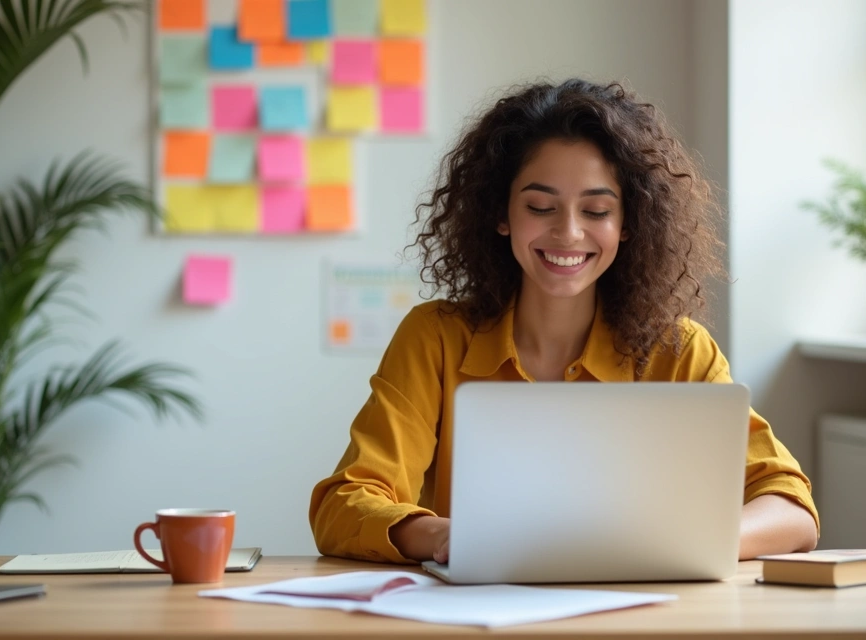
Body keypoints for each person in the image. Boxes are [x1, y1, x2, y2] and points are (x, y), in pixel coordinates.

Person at [309, 79, 819, 565]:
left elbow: (791, 509)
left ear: (627, 225)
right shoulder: (435, 337)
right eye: (540, 206)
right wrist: (444, 536)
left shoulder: (681, 350)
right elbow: (344, 504)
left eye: (596, 211)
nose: (568, 233)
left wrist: (682, 544)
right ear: (501, 212)